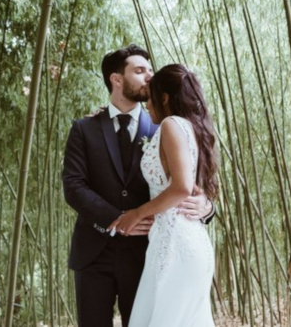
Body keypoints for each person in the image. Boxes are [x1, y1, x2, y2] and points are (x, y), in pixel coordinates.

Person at [61, 45, 215, 327]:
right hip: (94, 253)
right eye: (140, 70)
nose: (149, 77)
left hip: (148, 254)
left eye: (151, 70)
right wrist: (116, 219)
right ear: (116, 79)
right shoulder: (84, 128)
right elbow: (73, 186)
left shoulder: (166, 125)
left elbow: (192, 183)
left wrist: (207, 207)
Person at [110, 64, 218, 327]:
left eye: (150, 97)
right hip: (184, 239)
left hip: (175, 244)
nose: (147, 105)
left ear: (165, 97)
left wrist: (137, 213)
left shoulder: (171, 124)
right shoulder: (191, 127)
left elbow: (181, 188)